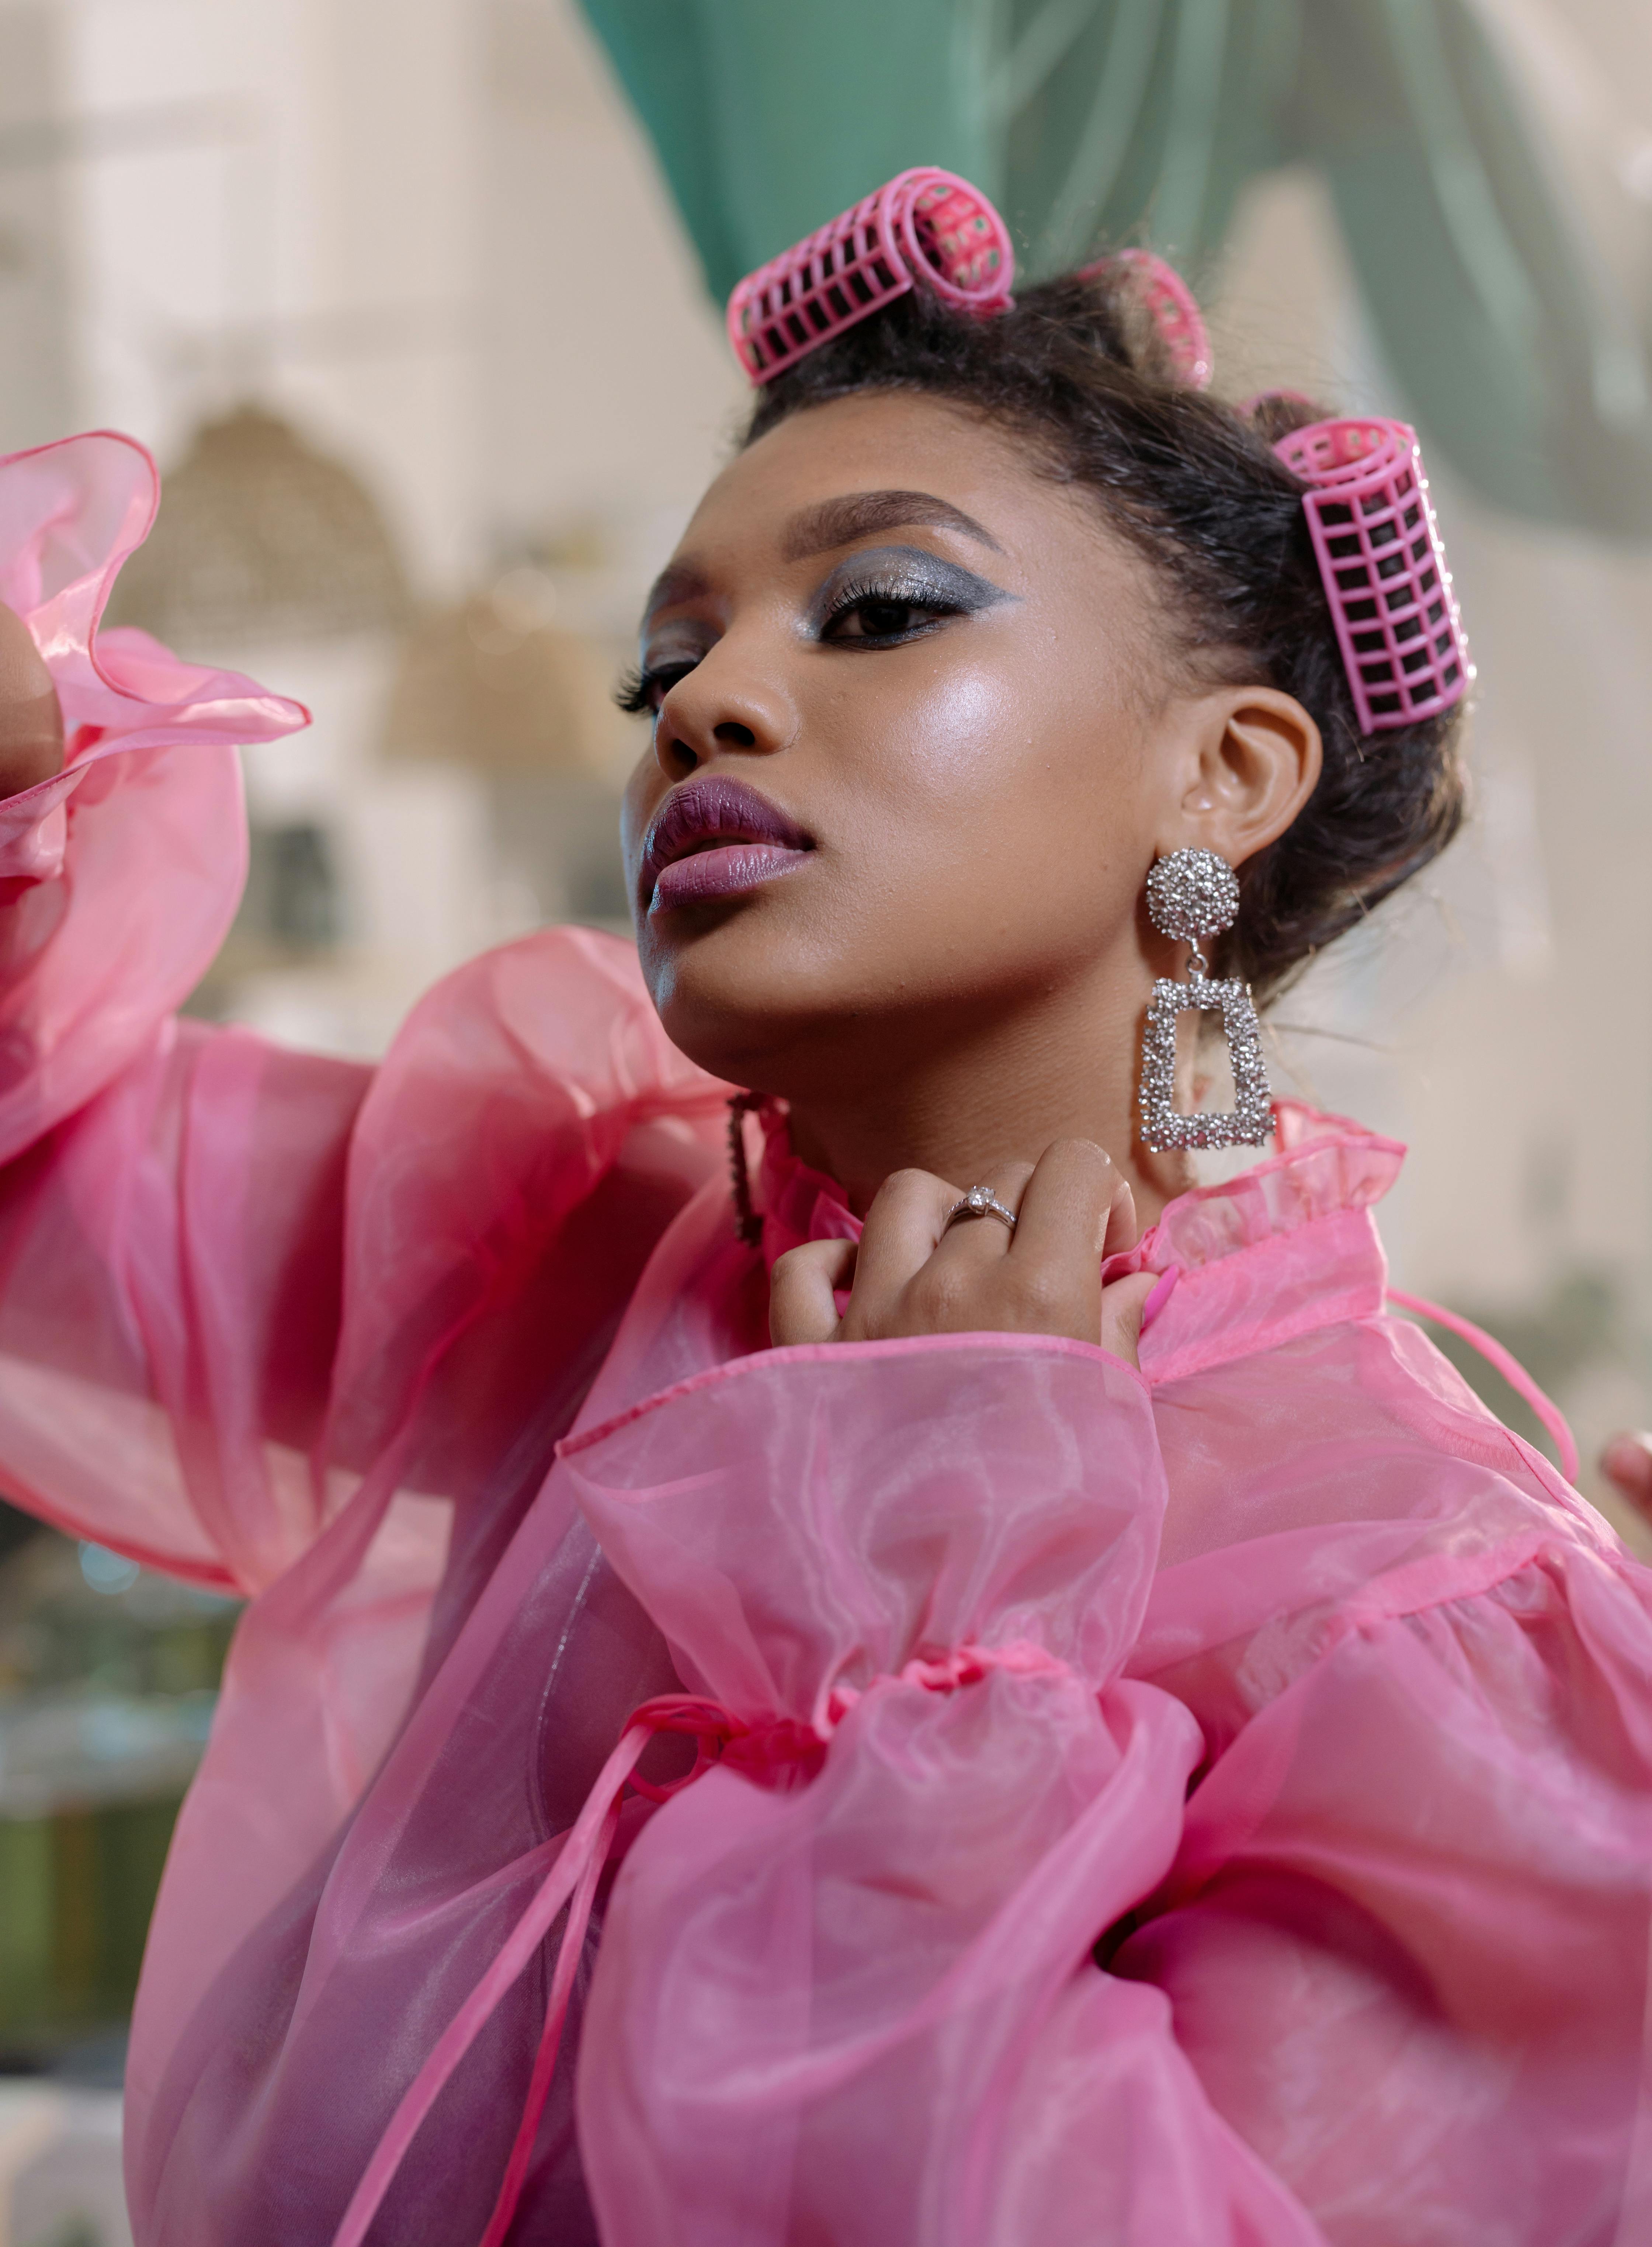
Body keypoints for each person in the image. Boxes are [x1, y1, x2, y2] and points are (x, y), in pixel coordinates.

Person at [0, 169, 1646, 2247]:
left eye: (878, 613)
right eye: (662, 669)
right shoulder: (567, 1241)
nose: (699, 705)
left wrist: (936, 1598)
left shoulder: (1427, 1605)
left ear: (1226, 775)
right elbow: (48, 1183)